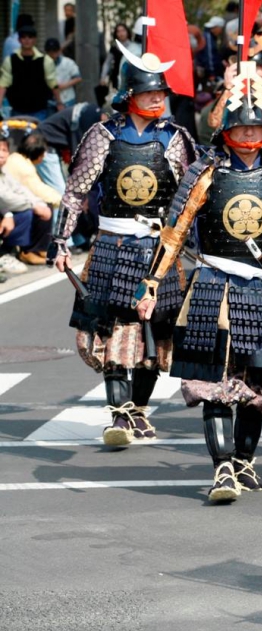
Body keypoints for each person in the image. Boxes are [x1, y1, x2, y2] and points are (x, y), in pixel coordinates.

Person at [134, 64, 262, 503]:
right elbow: (173, 230)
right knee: (214, 380)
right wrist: (151, 283)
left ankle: (245, 461)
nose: (248, 136)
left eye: (255, 128)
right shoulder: (205, 172)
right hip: (213, 285)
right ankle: (222, 466)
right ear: (227, 131)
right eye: (241, 128)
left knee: (259, 382)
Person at [52, 52, 197, 447]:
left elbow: (192, 198)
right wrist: (61, 241)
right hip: (112, 245)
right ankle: (119, 412)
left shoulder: (175, 138)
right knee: (111, 326)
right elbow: (74, 192)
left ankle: (138, 408)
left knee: (155, 330)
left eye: (161, 92)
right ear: (129, 93)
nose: (157, 99)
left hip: (158, 248)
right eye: (149, 92)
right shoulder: (103, 135)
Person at [0, 128, 52, 270]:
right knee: (26, 212)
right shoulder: (22, 165)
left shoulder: (4, 171)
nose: (2, 154)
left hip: (8, 208)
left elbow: (21, 190)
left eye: (4, 150)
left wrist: (38, 203)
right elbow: (4, 197)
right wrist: (32, 205)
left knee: (44, 206)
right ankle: (7, 253)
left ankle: (36, 249)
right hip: (5, 210)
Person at [0, 25, 61, 120]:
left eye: (30, 37)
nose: (27, 40)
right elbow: (4, 84)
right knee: (16, 135)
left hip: (40, 110)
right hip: (17, 110)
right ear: (19, 40)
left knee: (38, 135)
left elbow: (53, 84)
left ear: (35, 39)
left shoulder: (46, 60)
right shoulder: (10, 60)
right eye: (23, 37)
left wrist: (59, 103)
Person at [45, 37, 80, 111]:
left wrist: (63, 86)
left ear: (59, 50)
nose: (52, 53)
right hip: (49, 101)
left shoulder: (68, 62)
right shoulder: (43, 63)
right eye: (50, 51)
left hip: (67, 99)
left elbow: (78, 78)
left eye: (54, 51)